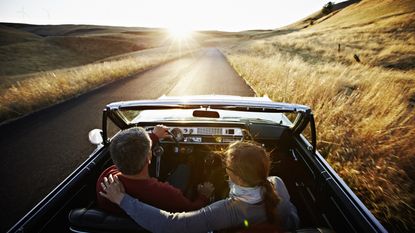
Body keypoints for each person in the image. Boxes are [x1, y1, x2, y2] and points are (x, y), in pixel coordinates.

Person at [100, 141, 299, 233]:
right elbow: (291, 220)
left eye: (226, 165)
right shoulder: (278, 183)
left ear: (234, 175)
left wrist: (123, 200)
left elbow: (170, 224)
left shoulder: (224, 212)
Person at [96, 126, 214, 214]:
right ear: (149, 157)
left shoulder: (106, 181)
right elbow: (193, 211)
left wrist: (155, 136)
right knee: (184, 168)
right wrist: (204, 196)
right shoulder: (167, 194)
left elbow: (131, 151)